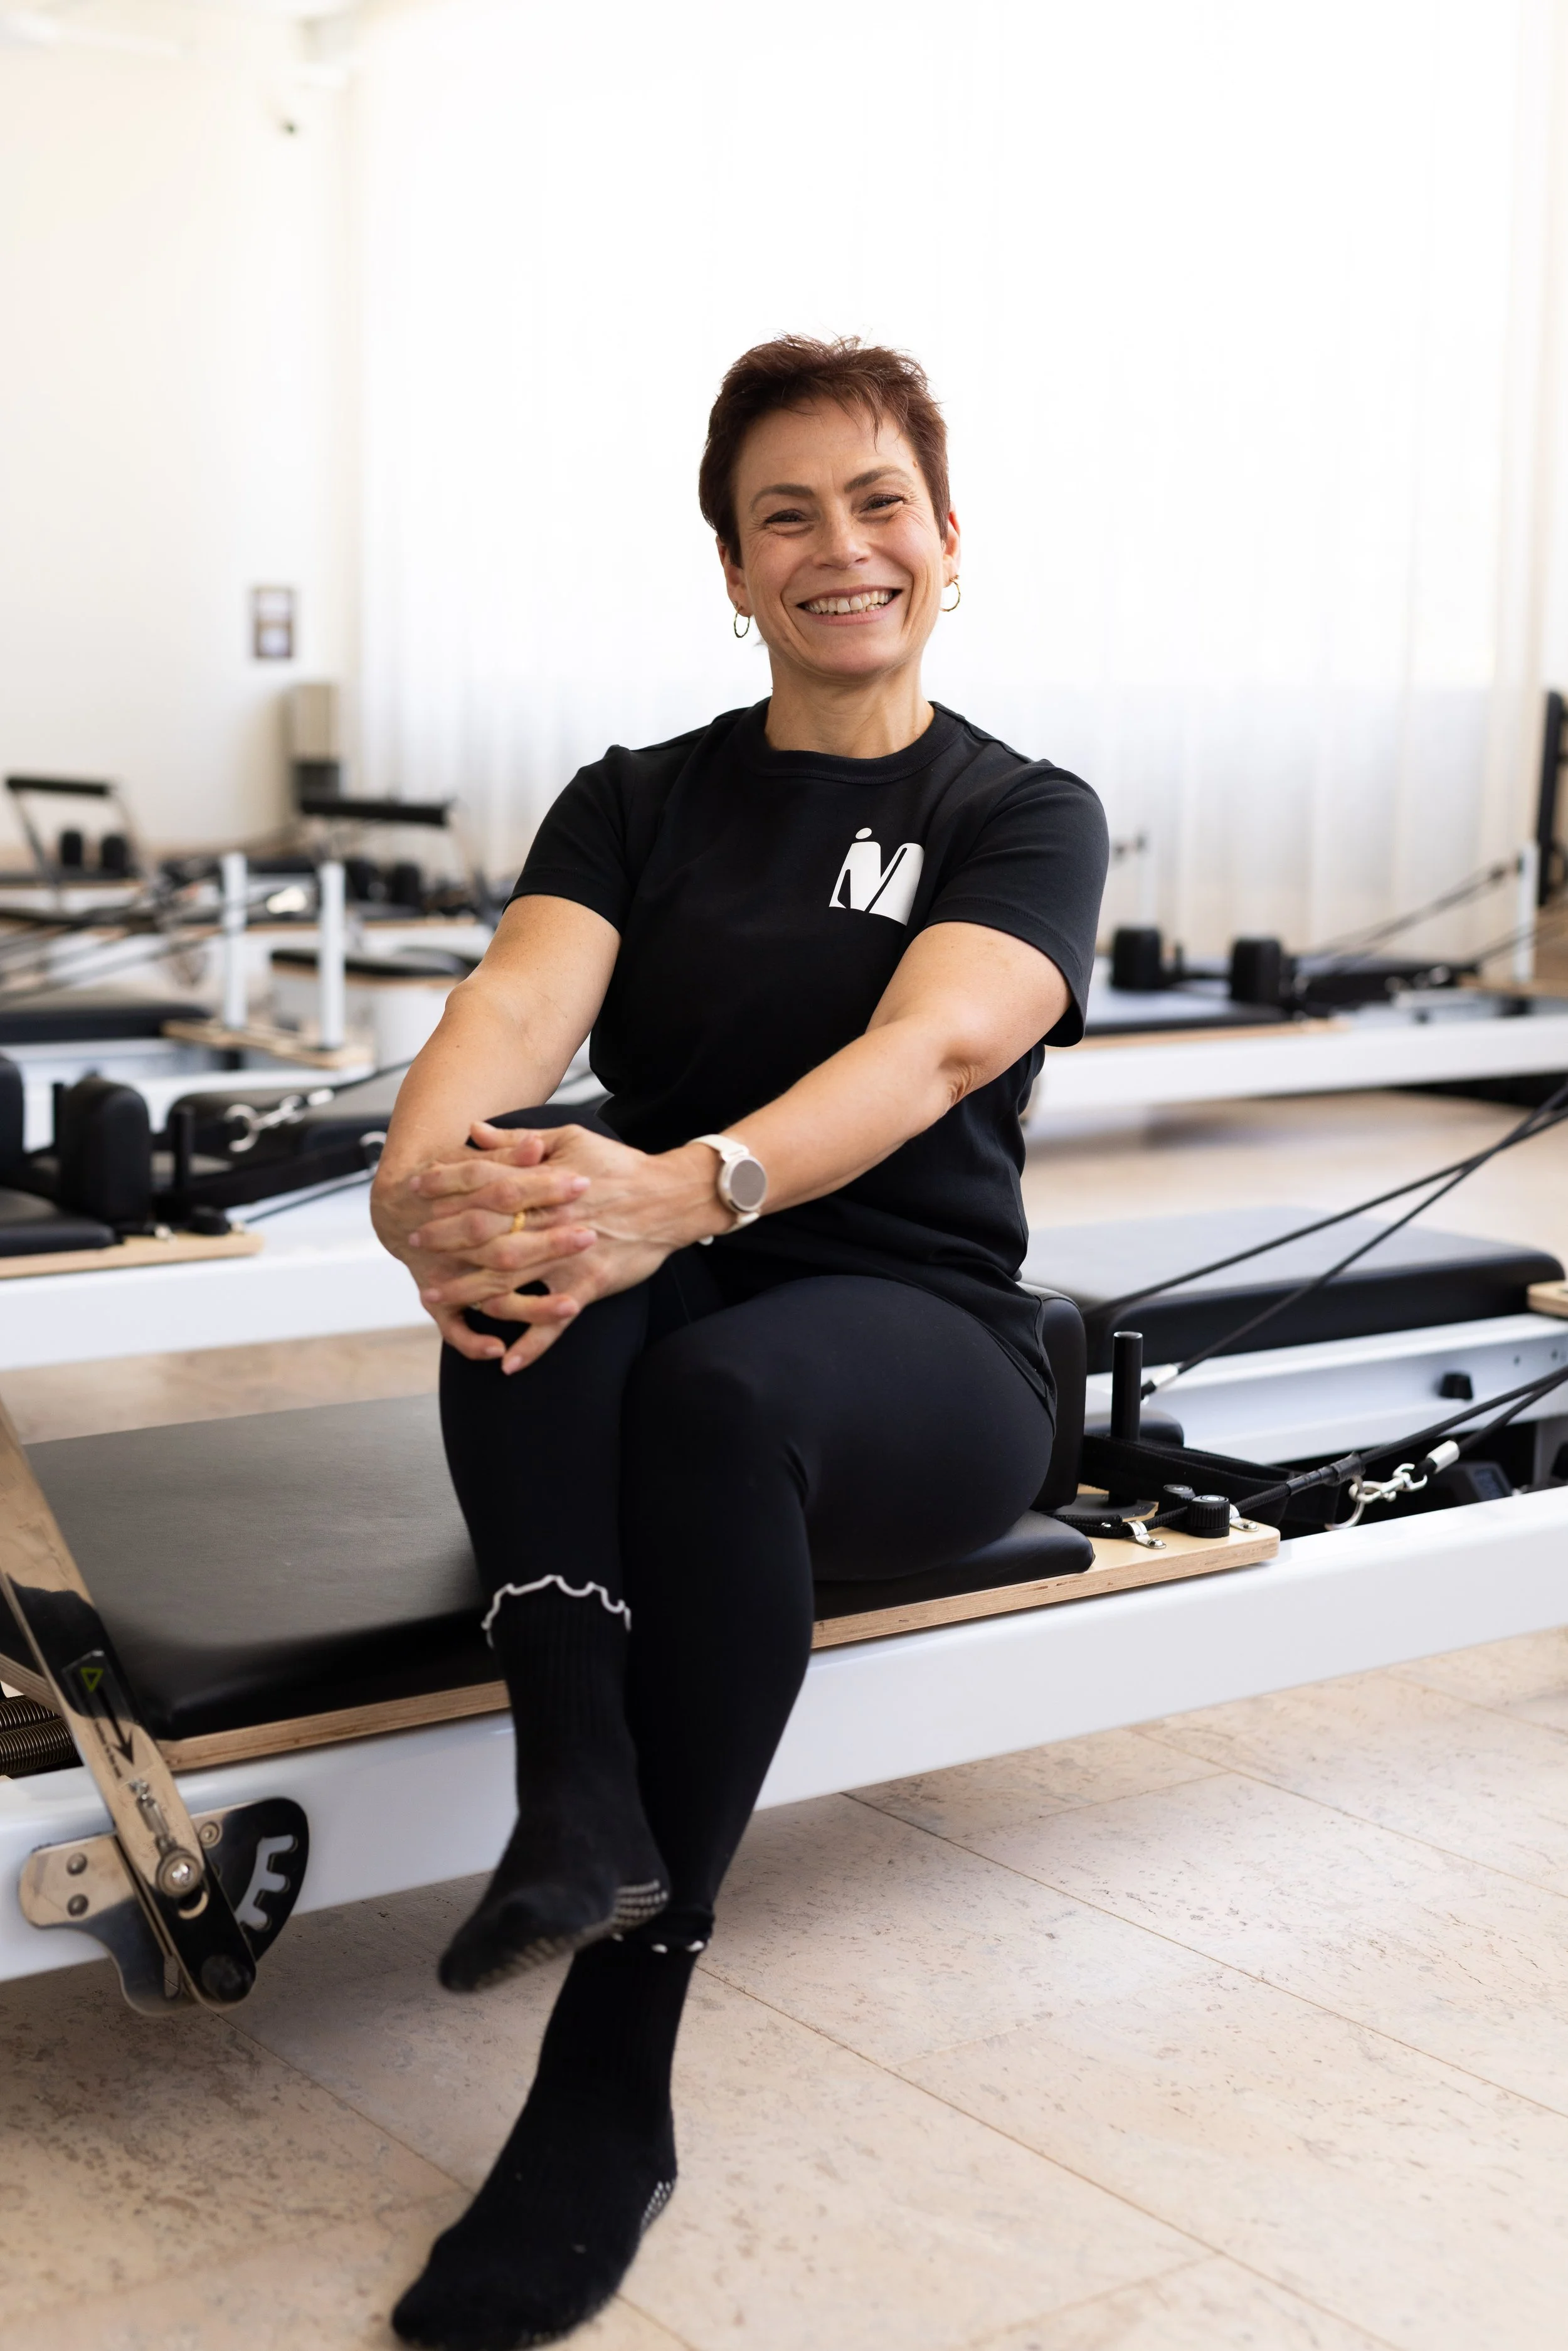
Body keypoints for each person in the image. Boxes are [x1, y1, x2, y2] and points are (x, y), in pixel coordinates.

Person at [371, 334, 1108, 2350]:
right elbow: (514, 1011)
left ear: (945, 540)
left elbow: (932, 1045)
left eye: (877, 503)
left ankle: (610, 2073)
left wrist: (686, 1189)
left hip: (927, 1347)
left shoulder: (1019, 808)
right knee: (528, 1214)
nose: (837, 546)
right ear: (730, 567)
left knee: (704, 1375)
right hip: (668, 1275)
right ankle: (573, 1789)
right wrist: (421, 1186)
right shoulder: (639, 796)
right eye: (785, 515)